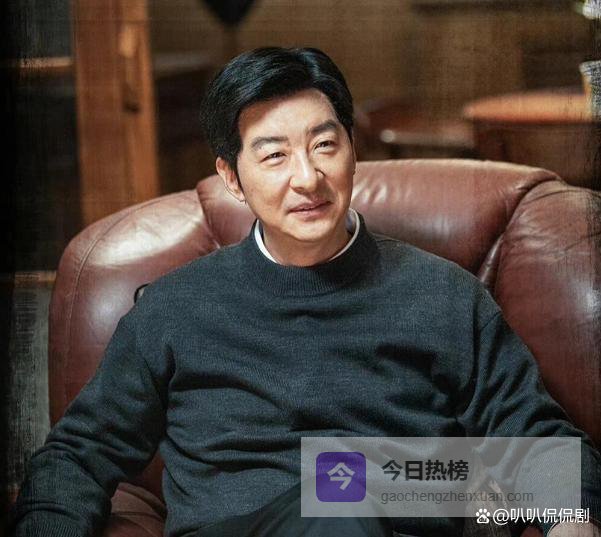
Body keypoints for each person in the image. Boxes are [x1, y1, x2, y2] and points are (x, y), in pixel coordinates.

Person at [8, 47, 601, 537]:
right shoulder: (175, 308)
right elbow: (77, 454)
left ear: (352, 150)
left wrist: (570, 520)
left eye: (324, 145)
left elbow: (542, 444)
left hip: (388, 524)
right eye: (274, 155)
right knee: (340, 500)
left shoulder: (443, 297)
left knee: (343, 495)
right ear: (231, 177)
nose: (307, 178)